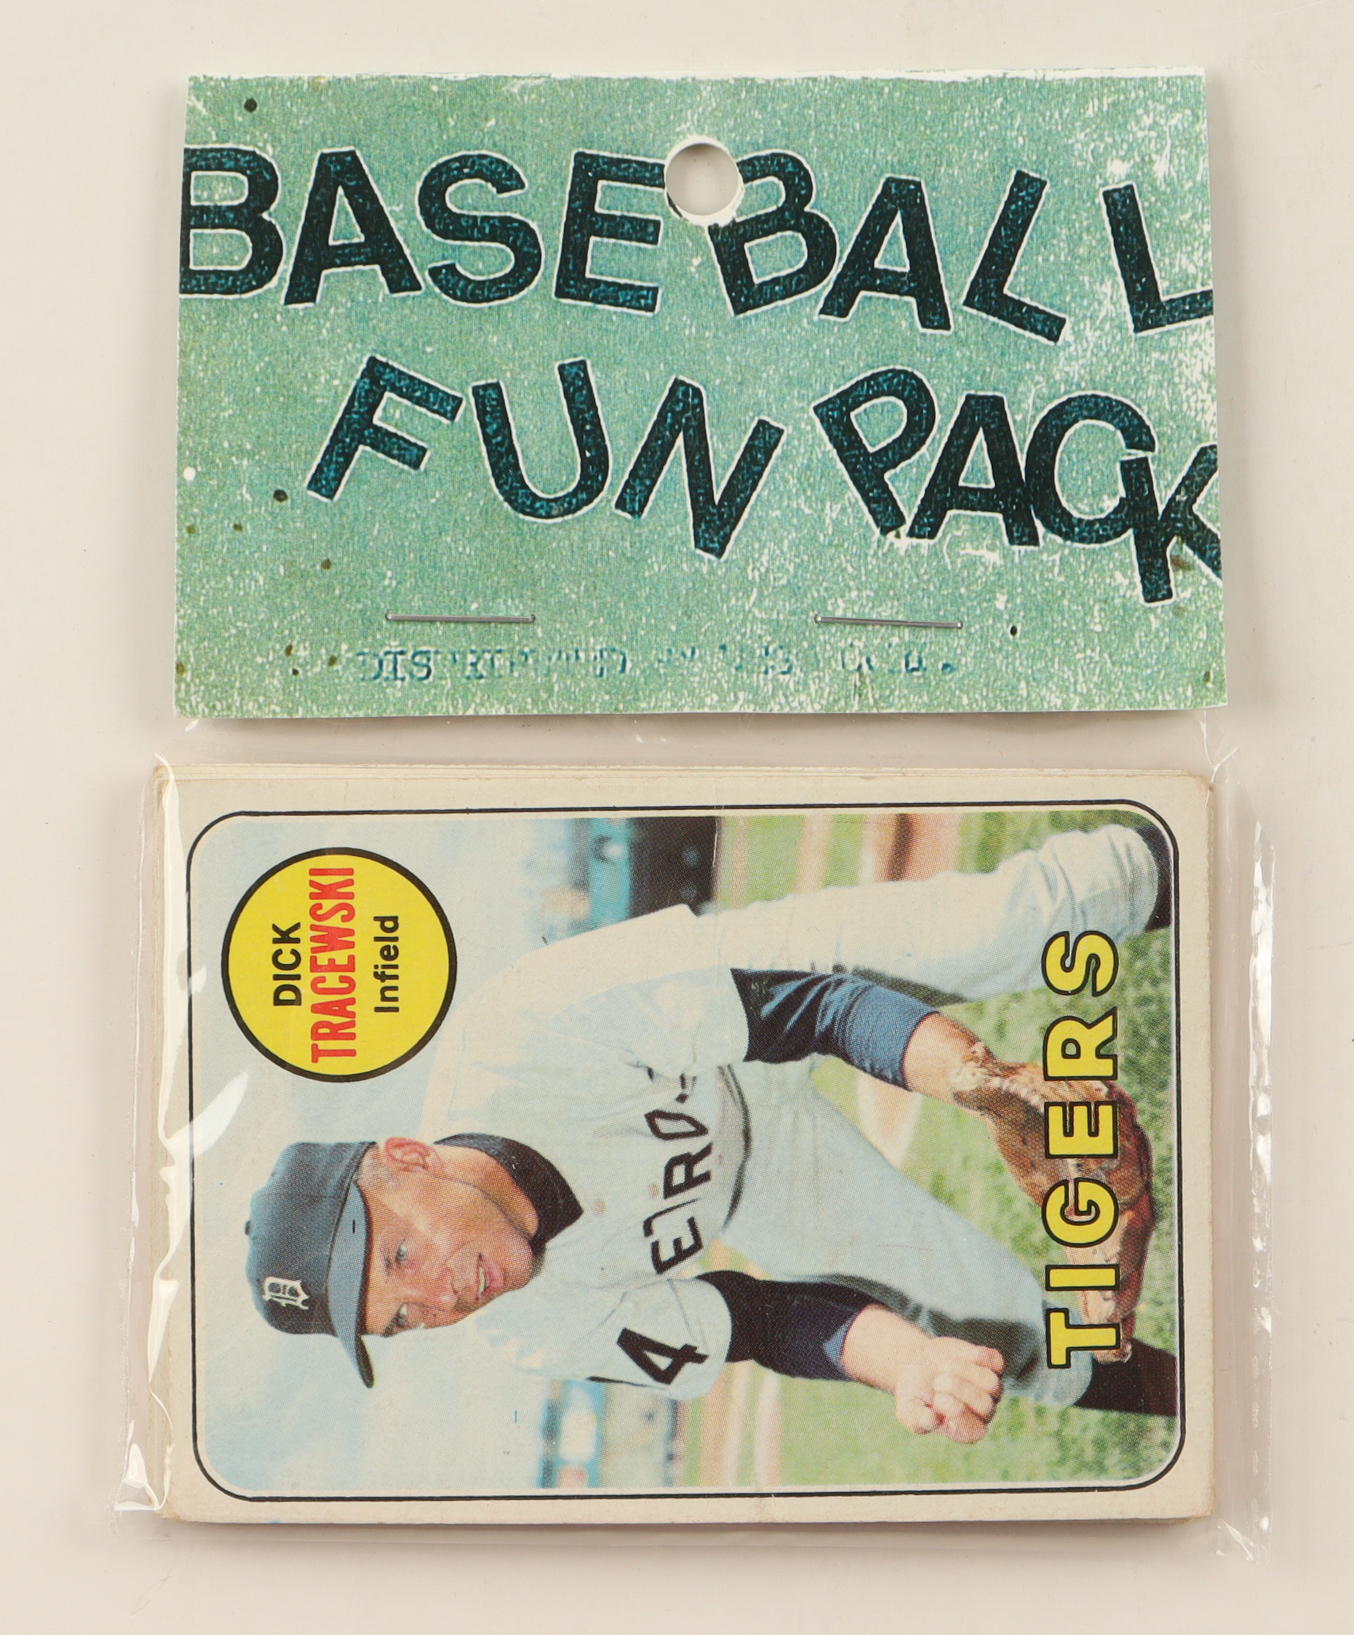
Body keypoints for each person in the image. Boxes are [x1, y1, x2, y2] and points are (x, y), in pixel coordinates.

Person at [246, 822, 1177, 1444]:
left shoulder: (522, 1031)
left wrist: (977, 1080)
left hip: (754, 1006)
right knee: (1018, 1342)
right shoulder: (532, 1331)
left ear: (408, 1158)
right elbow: (756, 1321)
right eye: (402, 1319)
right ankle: (1216, 1407)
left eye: (401, 1255)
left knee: (1014, 919)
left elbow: (813, 1008)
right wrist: (910, 1363)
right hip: (761, 1185)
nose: (439, 1298)